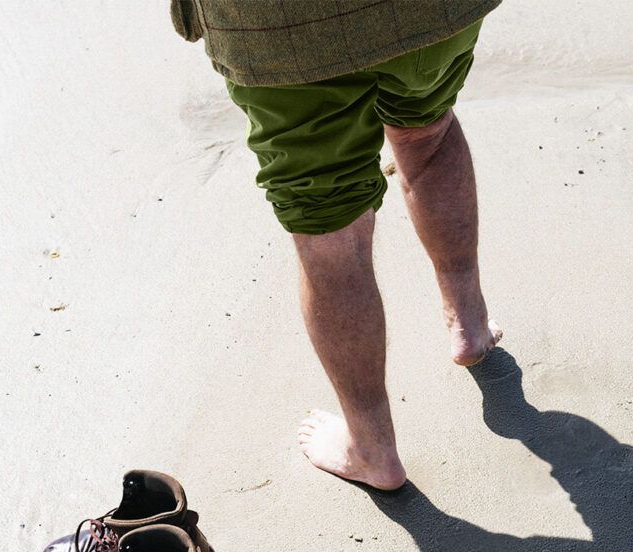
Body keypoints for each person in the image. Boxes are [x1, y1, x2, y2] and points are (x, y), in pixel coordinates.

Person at [172, 0, 502, 490]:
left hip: (283, 30)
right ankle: (469, 323)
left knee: (328, 223)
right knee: (428, 131)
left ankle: (372, 449)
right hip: (430, 12)